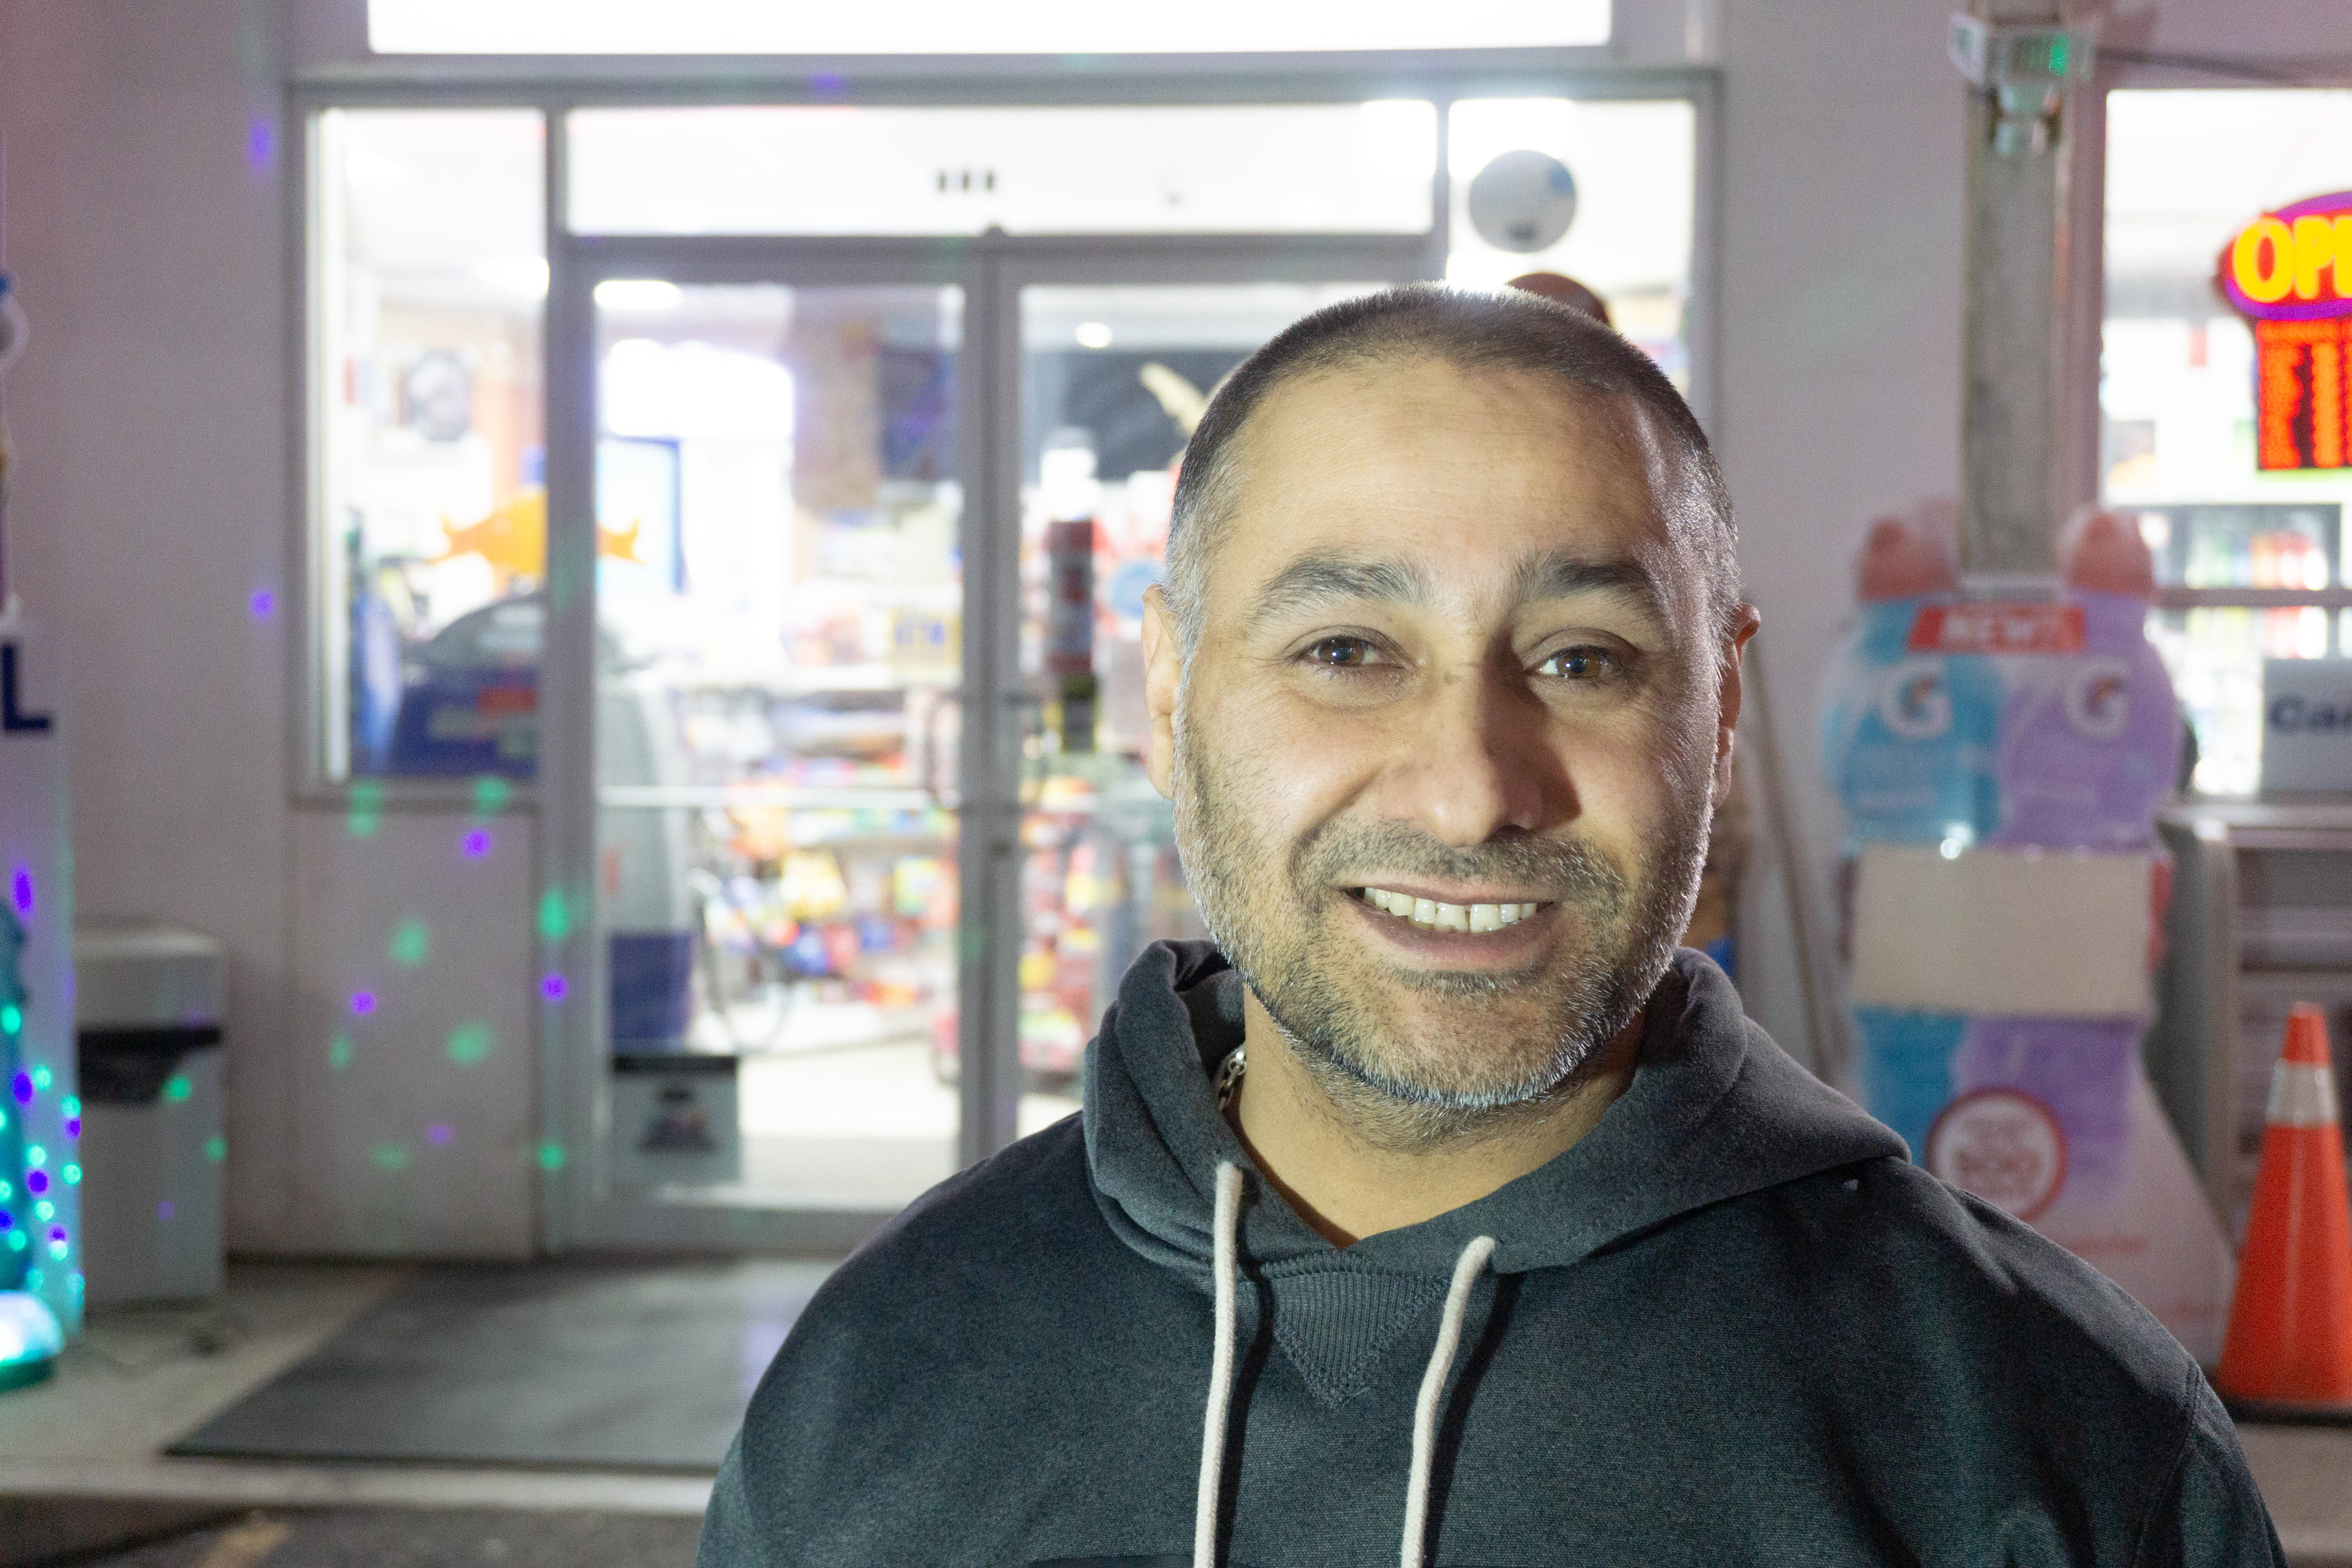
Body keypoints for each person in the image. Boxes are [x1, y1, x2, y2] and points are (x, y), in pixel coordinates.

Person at [698, 286, 2281, 1567]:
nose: (1470, 794)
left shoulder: (2049, 1439)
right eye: (1345, 649)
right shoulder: (885, 1376)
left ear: (1720, 710)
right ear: (1168, 694)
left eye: (1584, 660)